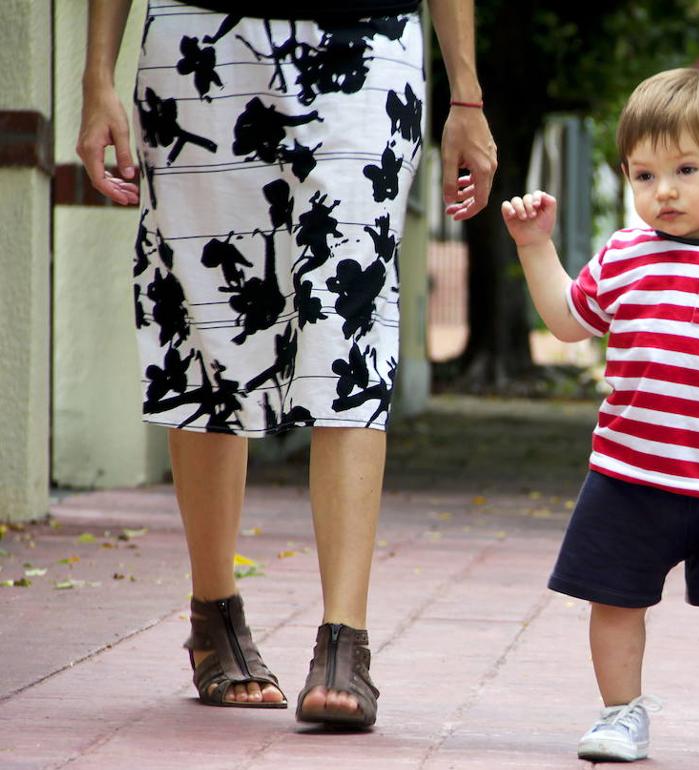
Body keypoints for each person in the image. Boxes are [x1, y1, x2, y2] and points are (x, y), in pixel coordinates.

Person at [78, 0, 495, 728]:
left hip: (370, 36)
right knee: (208, 319)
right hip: (201, 39)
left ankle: (344, 642)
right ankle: (215, 614)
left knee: (351, 318)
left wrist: (466, 91)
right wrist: (95, 77)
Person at [501, 68, 699, 762]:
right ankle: (622, 713)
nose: (665, 191)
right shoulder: (625, 253)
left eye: (686, 169)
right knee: (615, 602)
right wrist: (537, 247)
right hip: (627, 472)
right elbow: (567, 322)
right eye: (644, 175)